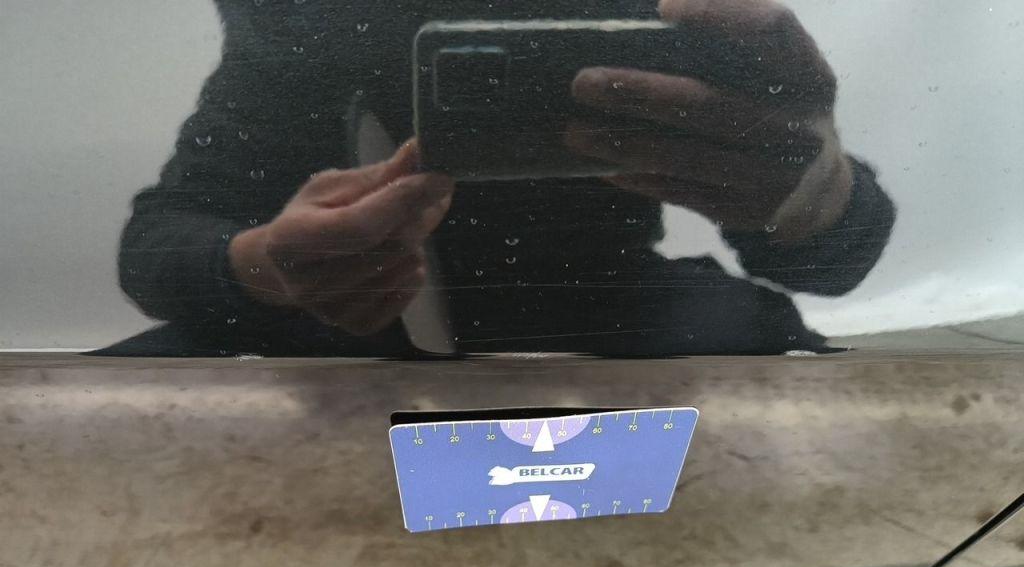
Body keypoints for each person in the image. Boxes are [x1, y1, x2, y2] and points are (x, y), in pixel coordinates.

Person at [115, 0, 895, 357]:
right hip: (618, 326)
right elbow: (158, 239)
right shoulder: (301, 17)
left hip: (356, 341)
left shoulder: (304, 18)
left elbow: (160, 241)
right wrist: (267, 265)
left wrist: (815, 193)